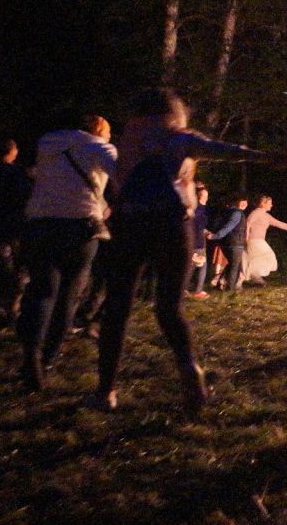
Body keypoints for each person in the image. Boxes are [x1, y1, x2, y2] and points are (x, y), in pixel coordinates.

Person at [94, 88, 265, 414]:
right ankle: (191, 373)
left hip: (130, 225)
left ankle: (105, 391)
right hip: (173, 227)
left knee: (117, 309)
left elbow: (116, 185)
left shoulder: (124, 142)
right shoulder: (181, 138)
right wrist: (269, 156)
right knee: (170, 308)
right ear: (175, 112)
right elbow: (228, 151)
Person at [14, 115, 114, 390]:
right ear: (102, 133)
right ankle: (47, 359)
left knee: (42, 291)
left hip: (41, 224)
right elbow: (120, 173)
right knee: (68, 297)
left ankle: (32, 355)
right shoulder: (102, 148)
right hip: (81, 227)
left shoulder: (48, 141)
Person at [0, 139, 35, 324]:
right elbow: (26, 196)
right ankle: (12, 306)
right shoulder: (17, 174)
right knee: (18, 269)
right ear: (11, 151)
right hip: (15, 228)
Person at [242, 195, 287, 284]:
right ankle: (255, 277)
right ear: (263, 203)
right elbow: (248, 223)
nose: (271, 205)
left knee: (250, 260)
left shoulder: (266, 216)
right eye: (270, 203)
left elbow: (278, 223)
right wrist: (246, 237)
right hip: (254, 240)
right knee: (268, 256)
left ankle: (251, 279)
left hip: (259, 240)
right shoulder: (256, 212)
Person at [208, 196, 249, 292]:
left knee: (232, 264)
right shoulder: (237, 213)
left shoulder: (226, 212)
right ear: (235, 202)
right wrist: (216, 236)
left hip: (227, 242)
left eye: (246, 202)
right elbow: (228, 227)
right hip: (234, 243)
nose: (244, 204)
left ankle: (219, 282)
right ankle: (229, 289)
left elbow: (218, 225)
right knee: (235, 267)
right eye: (242, 201)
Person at [186, 182, 212, 298]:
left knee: (192, 265)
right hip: (196, 242)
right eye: (204, 196)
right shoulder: (198, 209)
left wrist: (204, 231)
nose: (206, 198)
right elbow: (194, 223)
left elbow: (199, 225)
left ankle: (183, 288)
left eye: (206, 196)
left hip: (196, 240)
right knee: (202, 265)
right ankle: (198, 291)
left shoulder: (199, 208)